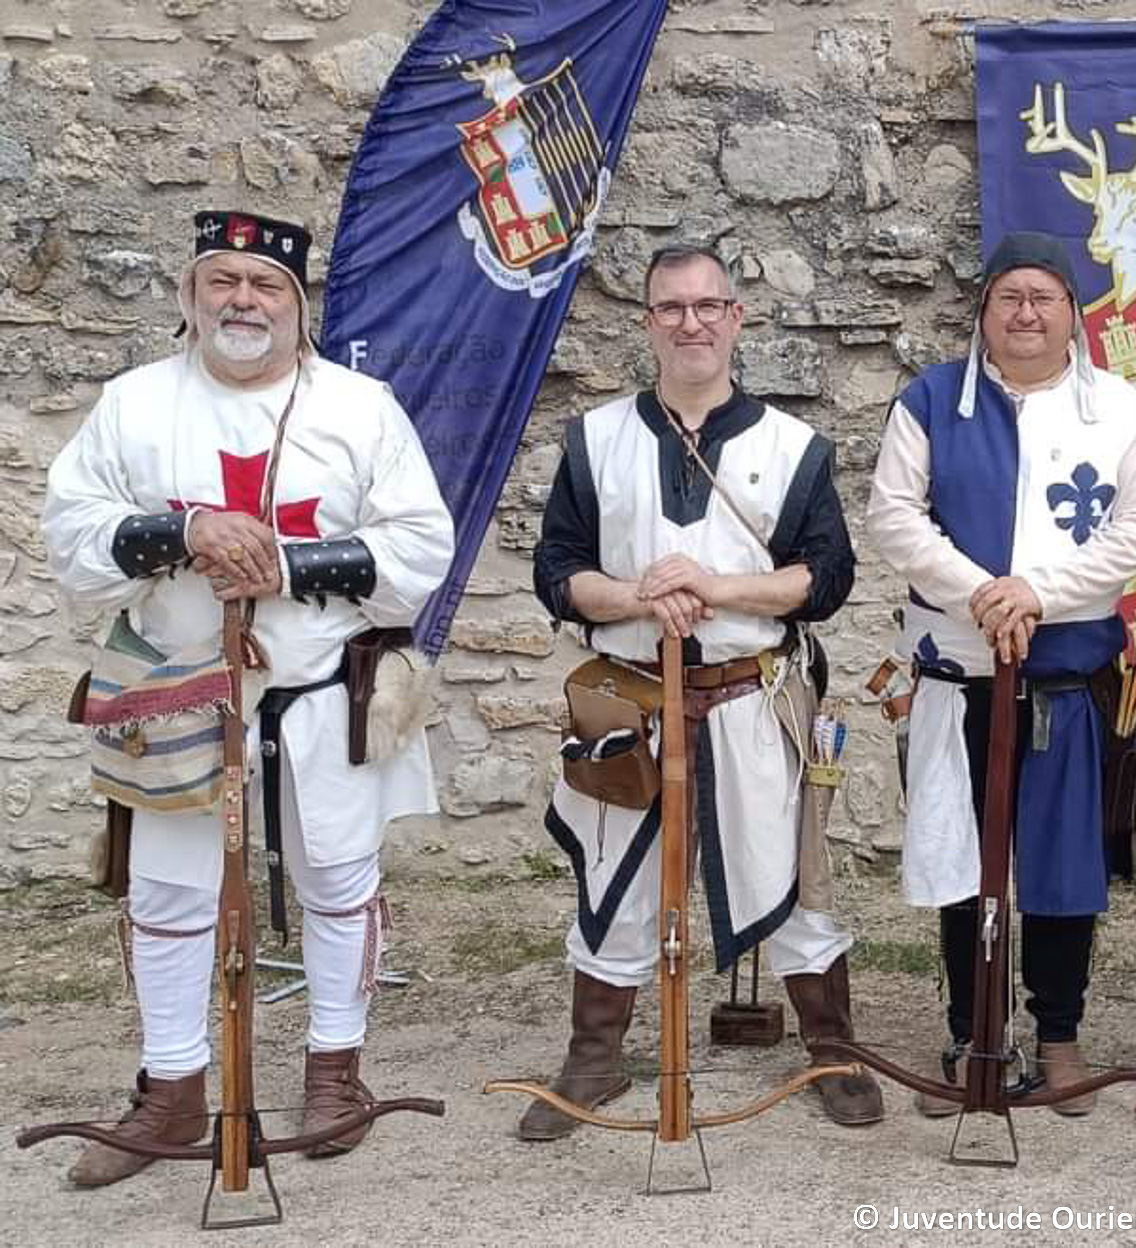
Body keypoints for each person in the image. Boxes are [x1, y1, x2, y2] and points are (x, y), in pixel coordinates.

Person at [42, 210, 455, 1184]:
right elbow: (72, 535)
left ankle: (333, 1071)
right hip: (178, 687)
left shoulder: (358, 407)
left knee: (338, 881)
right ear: (190, 298)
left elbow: (419, 546)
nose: (242, 299)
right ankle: (174, 1090)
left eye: (264, 285)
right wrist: (180, 536)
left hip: (320, 688)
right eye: (221, 281)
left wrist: (287, 562)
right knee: (170, 893)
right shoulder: (136, 403)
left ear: (297, 308)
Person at [524, 244, 882, 1132]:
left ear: (736, 318)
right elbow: (558, 571)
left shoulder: (792, 446)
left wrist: (714, 589)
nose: (692, 323)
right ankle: (595, 1057)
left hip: (747, 694)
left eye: (708, 306)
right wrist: (639, 593)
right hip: (632, 697)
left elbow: (826, 578)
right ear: (648, 321)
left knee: (790, 877)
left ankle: (831, 1048)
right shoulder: (596, 439)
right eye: (672, 308)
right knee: (619, 878)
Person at [867, 231, 1136, 1116]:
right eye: (1009, 297)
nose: (1026, 312)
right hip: (959, 673)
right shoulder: (930, 400)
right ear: (984, 311)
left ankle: (1060, 1036)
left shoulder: (1117, 411)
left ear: (1073, 313)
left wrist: (1036, 592)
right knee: (967, 867)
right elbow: (894, 518)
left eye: (1043, 297)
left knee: (1064, 872)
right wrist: (982, 594)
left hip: (1066, 681)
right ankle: (972, 1033)